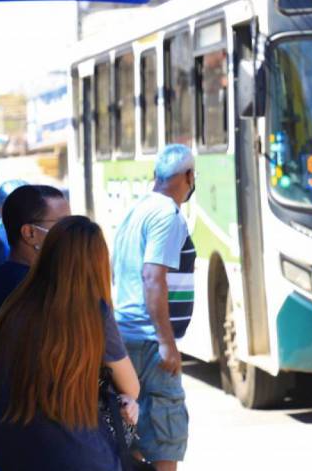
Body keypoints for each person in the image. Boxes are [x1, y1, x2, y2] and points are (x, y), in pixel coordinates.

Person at [0, 216, 141, 471]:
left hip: (14, 452)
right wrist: (127, 399)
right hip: (83, 456)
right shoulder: (94, 313)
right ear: (97, 264)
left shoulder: (15, 306)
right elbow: (131, 387)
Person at [0, 184, 70, 463]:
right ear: (29, 233)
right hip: (36, 440)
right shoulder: (44, 292)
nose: (68, 235)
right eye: (62, 225)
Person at [111, 144, 195, 470]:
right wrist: (166, 342)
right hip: (149, 342)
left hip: (126, 339)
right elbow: (152, 276)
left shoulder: (138, 210)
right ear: (188, 176)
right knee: (164, 437)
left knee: (131, 432)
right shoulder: (168, 215)